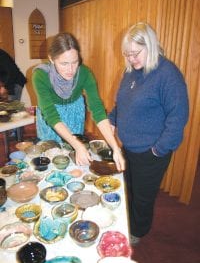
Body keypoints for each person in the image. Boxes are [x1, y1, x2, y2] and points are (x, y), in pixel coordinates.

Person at [109, 22, 189, 245]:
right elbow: (121, 104)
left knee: (143, 198)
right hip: (129, 147)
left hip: (151, 151)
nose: (131, 59)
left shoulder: (167, 74)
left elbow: (178, 116)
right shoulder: (130, 72)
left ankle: (137, 232)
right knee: (130, 189)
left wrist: (158, 149)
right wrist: (111, 120)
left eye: (136, 53)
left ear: (151, 46)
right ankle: (129, 222)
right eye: (128, 54)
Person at [32, 32, 125, 170]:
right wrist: (78, 145)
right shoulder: (40, 76)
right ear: (51, 59)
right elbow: (51, 115)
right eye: (64, 63)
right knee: (52, 159)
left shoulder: (85, 73)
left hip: (74, 113)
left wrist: (115, 147)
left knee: (73, 158)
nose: (71, 70)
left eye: (75, 62)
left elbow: (98, 110)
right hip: (52, 118)